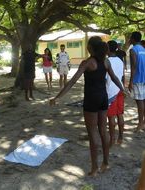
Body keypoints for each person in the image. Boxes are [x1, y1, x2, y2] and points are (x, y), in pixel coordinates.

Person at [50, 36, 125, 176]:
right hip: (104, 98)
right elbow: (114, 78)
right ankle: (106, 163)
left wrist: (57, 97)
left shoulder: (87, 63)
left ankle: (95, 168)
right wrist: (123, 89)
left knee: (93, 134)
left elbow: (72, 81)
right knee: (103, 131)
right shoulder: (106, 61)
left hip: (91, 100)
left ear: (90, 47)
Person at [106, 40, 125, 147]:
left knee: (111, 117)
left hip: (110, 92)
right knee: (120, 114)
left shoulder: (106, 61)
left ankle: (112, 139)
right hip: (120, 90)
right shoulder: (120, 60)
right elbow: (121, 76)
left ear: (108, 49)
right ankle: (121, 137)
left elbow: (105, 79)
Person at [128, 31, 145, 132]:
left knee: (140, 102)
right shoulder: (143, 49)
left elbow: (133, 66)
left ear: (133, 39)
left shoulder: (133, 50)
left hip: (138, 79)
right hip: (144, 78)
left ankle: (140, 124)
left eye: (130, 37)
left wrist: (130, 81)